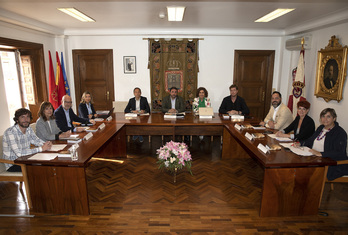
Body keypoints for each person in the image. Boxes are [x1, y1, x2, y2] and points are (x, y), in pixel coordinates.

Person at [299, 108, 348, 180]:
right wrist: (300, 143)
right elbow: (310, 140)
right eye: (323, 116)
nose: (325, 119)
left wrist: (321, 154)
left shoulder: (340, 133)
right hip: (314, 157)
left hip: (331, 163)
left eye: (328, 116)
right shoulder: (321, 128)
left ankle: (311, 190)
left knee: (306, 171)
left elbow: (340, 152)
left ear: (334, 118)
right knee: (298, 165)